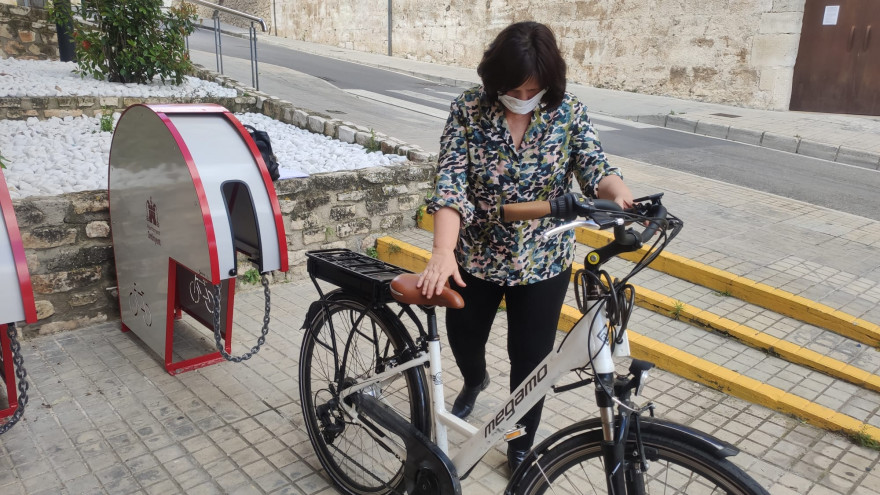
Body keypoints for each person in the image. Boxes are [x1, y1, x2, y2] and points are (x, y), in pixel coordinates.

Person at [416, 21, 635, 473]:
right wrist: (442, 250)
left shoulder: (568, 112)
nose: (521, 94)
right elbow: (451, 184)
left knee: (531, 361)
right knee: (464, 338)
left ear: (549, 83)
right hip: (475, 254)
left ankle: (519, 442)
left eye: (532, 87)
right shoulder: (468, 110)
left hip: (544, 258)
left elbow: (594, 166)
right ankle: (475, 380)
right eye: (511, 87)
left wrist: (618, 192)